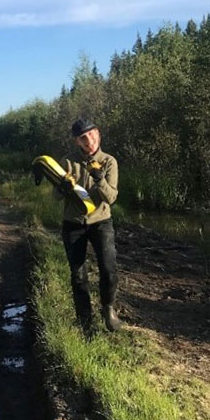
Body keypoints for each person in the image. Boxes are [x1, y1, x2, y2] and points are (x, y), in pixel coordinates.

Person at [54, 118, 121, 333]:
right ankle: (85, 320)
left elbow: (111, 198)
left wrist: (99, 179)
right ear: (77, 142)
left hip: (101, 222)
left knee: (108, 270)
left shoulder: (109, 161)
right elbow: (54, 196)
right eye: (83, 138)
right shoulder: (67, 162)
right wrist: (62, 188)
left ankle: (108, 309)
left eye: (92, 135)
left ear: (98, 135)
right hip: (73, 224)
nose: (89, 141)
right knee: (78, 274)